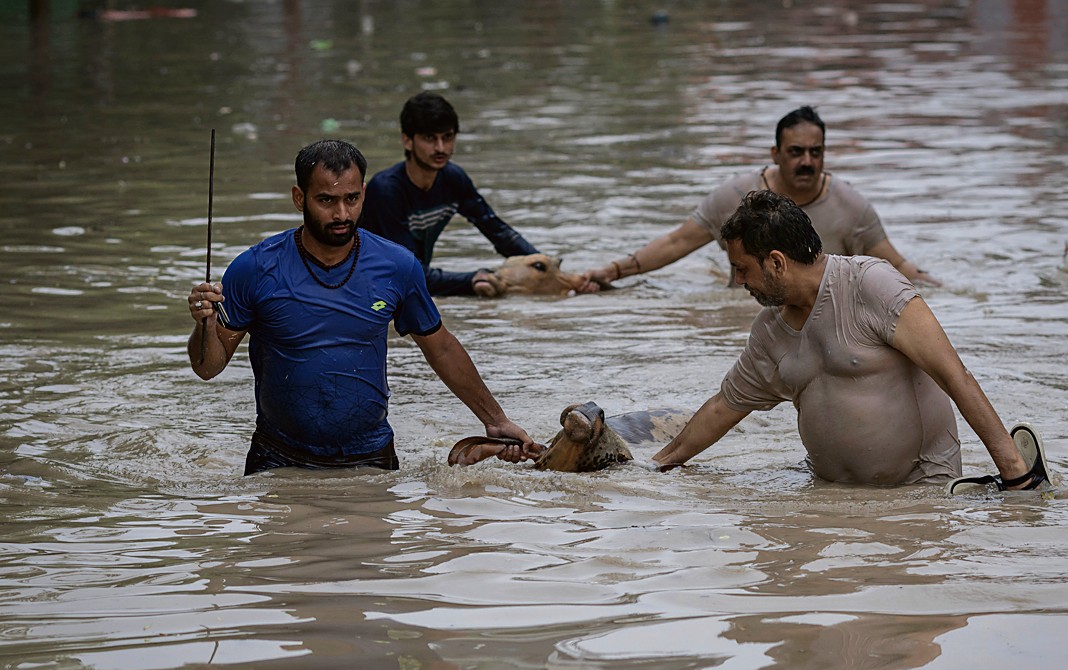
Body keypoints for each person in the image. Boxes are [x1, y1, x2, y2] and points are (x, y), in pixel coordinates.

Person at [187, 139, 542, 475]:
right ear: (299, 198)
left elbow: (442, 348)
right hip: (279, 458)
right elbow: (208, 367)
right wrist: (203, 323)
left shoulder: (397, 266)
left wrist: (494, 420)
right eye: (326, 200)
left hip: (370, 456)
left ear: (364, 195)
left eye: (352, 199)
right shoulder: (255, 268)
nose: (342, 213)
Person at [650, 190, 1044, 489]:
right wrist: (655, 467)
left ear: (776, 262)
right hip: (830, 494)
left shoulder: (872, 284)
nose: (737, 282)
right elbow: (724, 406)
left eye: (741, 269)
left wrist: (1014, 474)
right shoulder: (768, 332)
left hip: (920, 491)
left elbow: (955, 375)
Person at [580, 105, 941, 291]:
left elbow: (896, 265)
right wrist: (613, 272)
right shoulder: (737, 197)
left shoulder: (852, 206)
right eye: (796, 151)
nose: (807, 161)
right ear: (775, 153)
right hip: (745, 304)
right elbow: (677, 241)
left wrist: (951, 294)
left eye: (816, 152)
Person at [359, 91, 547, 298]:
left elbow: (499, 233)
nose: (440, 148)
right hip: (368, 291)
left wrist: (547, 267)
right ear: (407, 141)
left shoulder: (453, 179)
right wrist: (472, 280)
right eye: (429, 138)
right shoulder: (387, 191)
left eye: (447, 137)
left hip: (409, 284)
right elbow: (408, 272)